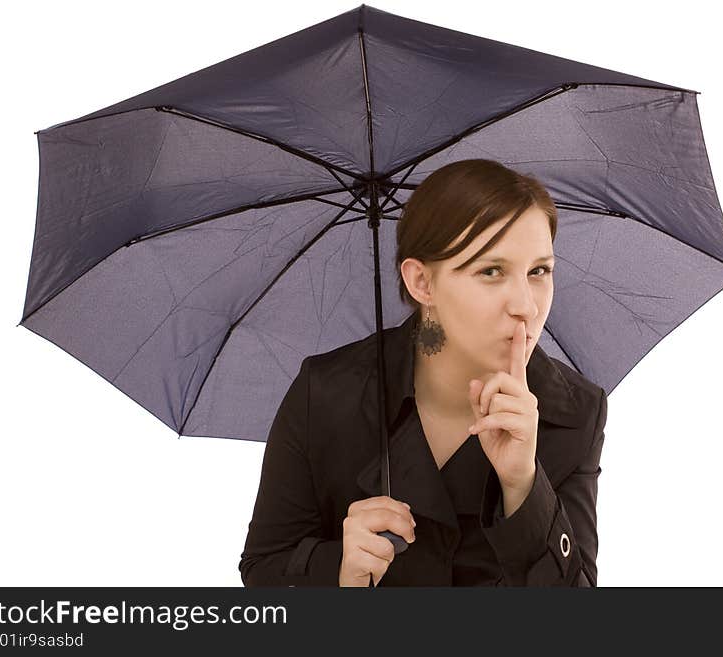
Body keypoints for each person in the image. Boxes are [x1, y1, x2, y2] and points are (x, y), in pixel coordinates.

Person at [239, 159, 608, 586]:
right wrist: (338, 569)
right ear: (422, 283)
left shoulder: (575, 411)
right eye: (492, 271)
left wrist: (524, 486)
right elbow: (263, 571)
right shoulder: (325, 394)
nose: (526, 305)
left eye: (539, 271)